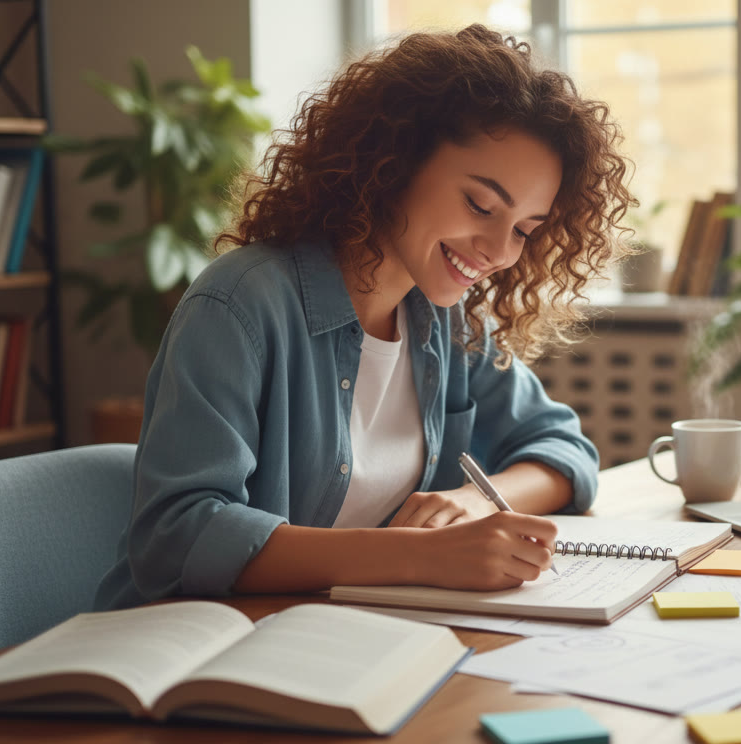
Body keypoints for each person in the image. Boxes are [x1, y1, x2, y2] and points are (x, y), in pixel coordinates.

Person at [95, 25, 634, 610]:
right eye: (480, 204)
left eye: (526, 229)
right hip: (194, 653)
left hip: (346, 634)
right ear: (393, 162)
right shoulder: (239, 306)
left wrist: (476, 502)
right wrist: (425, 556)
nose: (502, 251)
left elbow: (564, 449)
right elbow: (179, 538)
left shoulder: (443, 322)